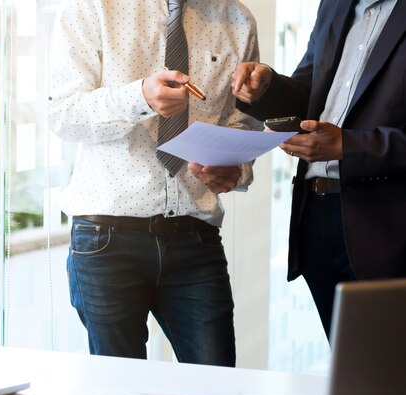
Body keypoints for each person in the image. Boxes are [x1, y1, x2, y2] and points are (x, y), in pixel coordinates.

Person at [49, 0, 261, 365]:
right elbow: (62, 114)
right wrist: (140, 96)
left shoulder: (238, 19)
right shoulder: (90, 7)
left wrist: (234, 168)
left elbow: (242, 121)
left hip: (196, 239)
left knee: (217, 387)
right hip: (107, 240)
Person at [231, 0, 406, 337]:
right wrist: (268, 87)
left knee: (390, 377)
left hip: (387, 231)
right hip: (316, 218)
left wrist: (348, 146)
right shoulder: (335, 6)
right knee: (349, 373)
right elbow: (311, 97)